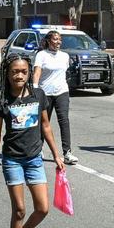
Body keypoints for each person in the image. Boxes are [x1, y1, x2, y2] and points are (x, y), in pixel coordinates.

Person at [0, 53, 65, 228]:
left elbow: (46, 126)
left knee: (42, 208)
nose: (19, 75)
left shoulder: (38, 95)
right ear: (6, 74)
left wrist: (56, 155)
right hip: (12, 160)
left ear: (29, 72)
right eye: (14, 72)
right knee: (19, 209)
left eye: (23, 71)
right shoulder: (2, 101)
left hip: (34, 159)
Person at [32, 30, 79, 165]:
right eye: (55, 39)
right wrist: (35, 89)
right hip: (45, 93)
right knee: (43, 123)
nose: (58, 42)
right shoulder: (41, 55)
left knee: (64, 121)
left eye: (60, 39)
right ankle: (38, 149)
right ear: (48, 41)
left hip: (61, 92)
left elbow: (66, 73)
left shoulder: (64, 56)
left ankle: (67, 153)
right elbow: (37, 73)